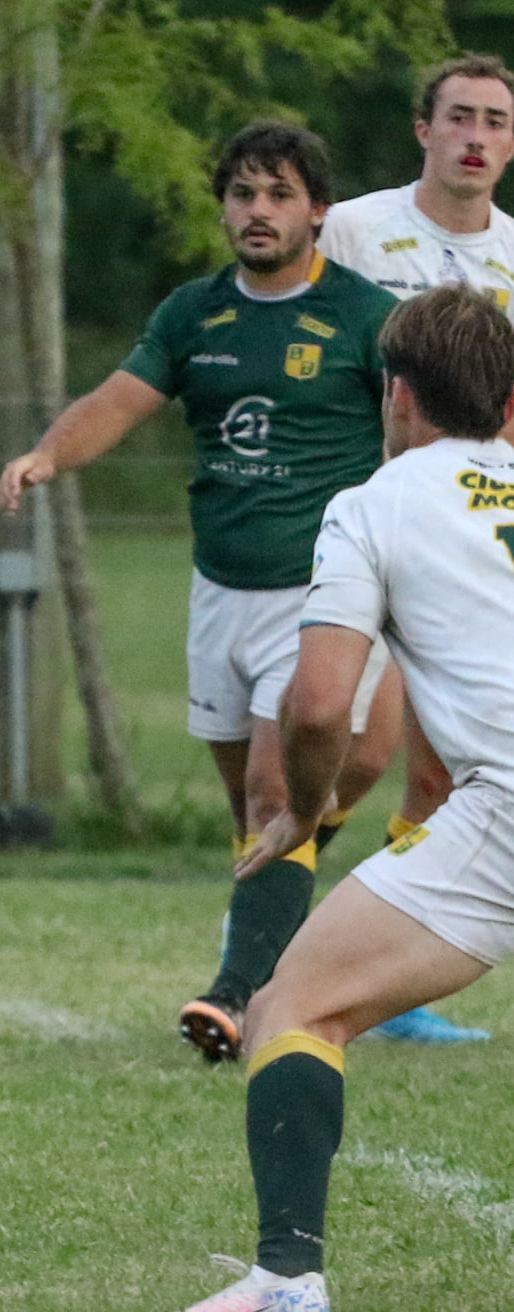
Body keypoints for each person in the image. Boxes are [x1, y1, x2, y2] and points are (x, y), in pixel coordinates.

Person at [0, 122, 402, 1063]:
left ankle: (238, 993)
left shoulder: (364, 317)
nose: (258, 212)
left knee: (272, 790)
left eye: (279, 195)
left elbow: (416, 427)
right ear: (224, 207)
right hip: (219, 588)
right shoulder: (193, 314)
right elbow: (118, 400)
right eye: (243, 194)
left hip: (323, 591)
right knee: (252, 815)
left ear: (318, 214)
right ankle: (285, 949)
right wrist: (48, 455)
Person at [178, 282, 514, 1312]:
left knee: (294, 1005)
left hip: (503, 806)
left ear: (397, 396)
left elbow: (320, 700)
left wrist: (302, 811)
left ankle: (287, 1280)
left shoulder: (373, 503)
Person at [308, 51, 514, 1045]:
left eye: (497, 122)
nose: (478, 136)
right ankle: (269, 909)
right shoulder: (354, 230)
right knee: (363, 746)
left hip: (471, 538)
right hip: (374, 522)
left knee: (441, 773)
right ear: (423, 131)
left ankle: (403, 978)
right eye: (461, 116)